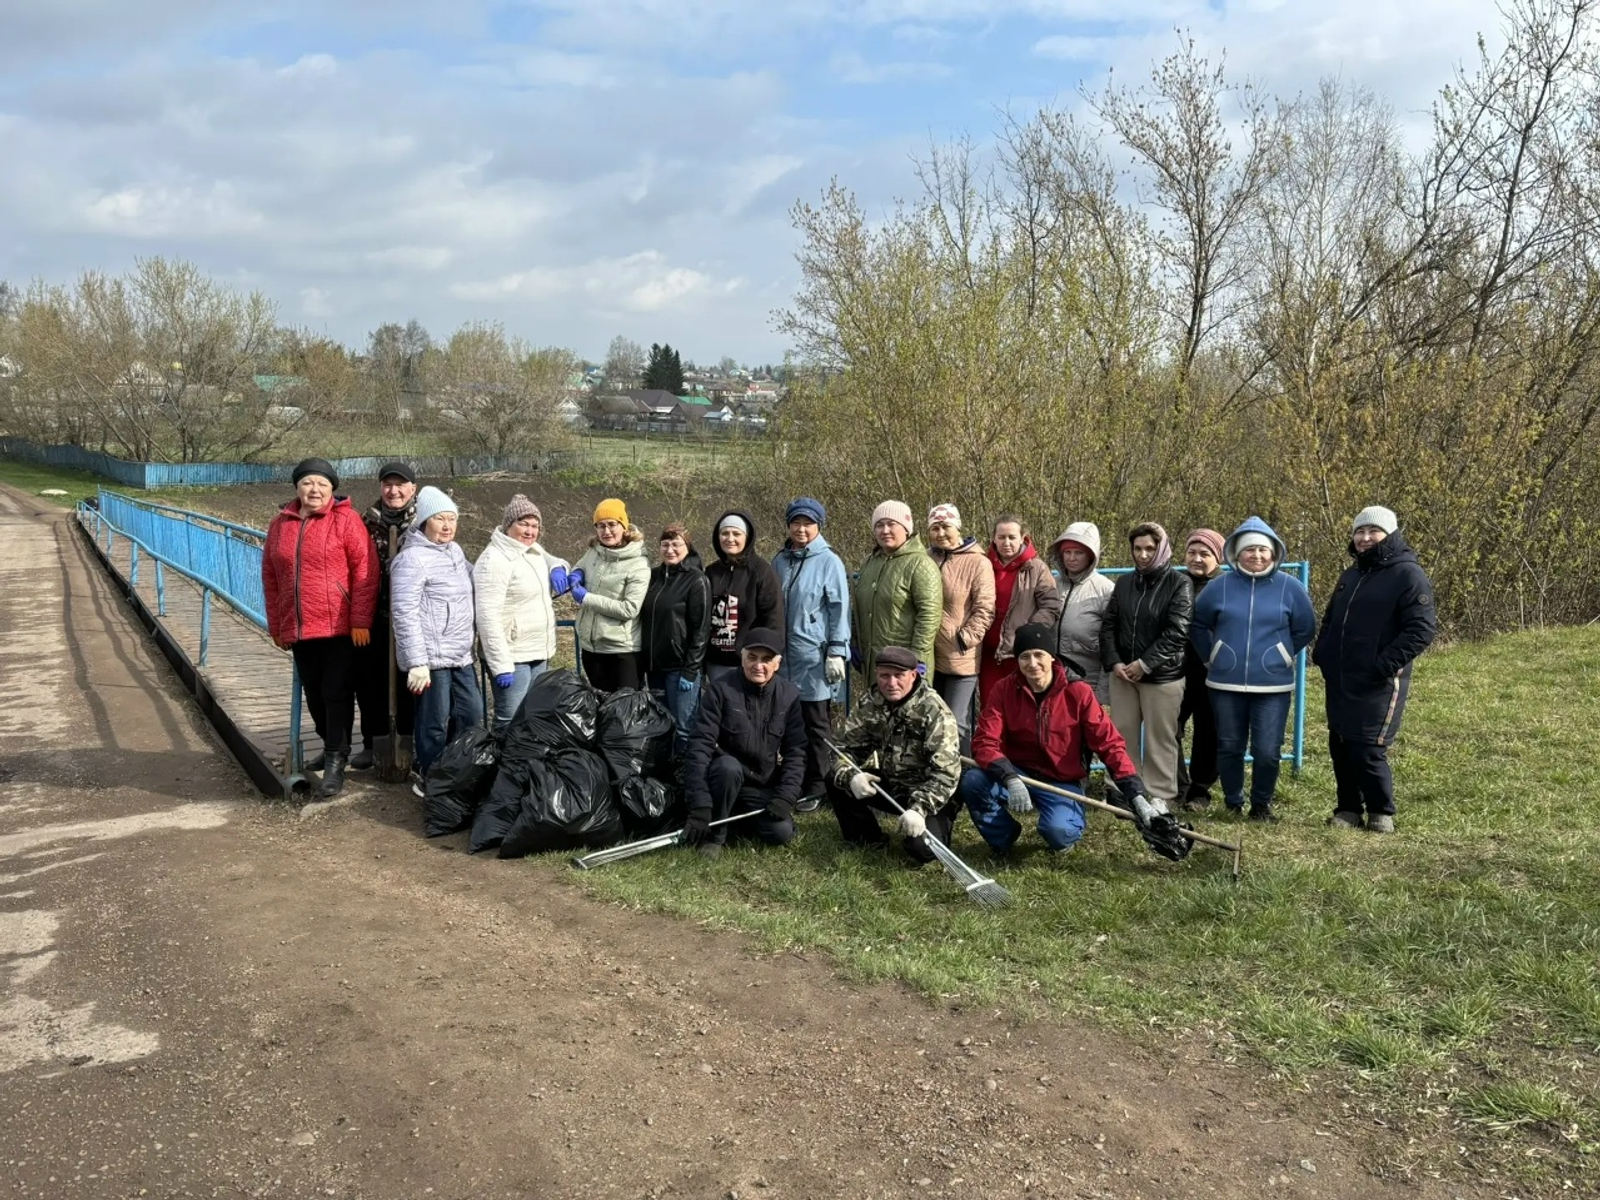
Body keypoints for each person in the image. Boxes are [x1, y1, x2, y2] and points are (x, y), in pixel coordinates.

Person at [961, 624, 1149, 856]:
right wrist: (1009, 776)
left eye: (1039, 655)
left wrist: (1135, 795)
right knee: (973, 781)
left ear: (1052, 657)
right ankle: (1003, 836)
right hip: (1018, 773)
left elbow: (1109, 743)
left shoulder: (1078, 692)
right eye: (1024, 656)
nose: (1032, 663)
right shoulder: (1004, 689)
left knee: (1059, 832)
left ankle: (1063, 827)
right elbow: (984, 741)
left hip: (1062, 781)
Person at [1312, 506, 1437, 834]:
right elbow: (1329, 620)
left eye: (1373, 532)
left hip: (1379, 681)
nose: (1365, 538)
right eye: (1359, 532)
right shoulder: (1351, 575)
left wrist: (1383, 665)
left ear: (1390, 534)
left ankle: (1381, 812)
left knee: (1367, 747)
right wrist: (1322, 654)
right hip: (1340, 677)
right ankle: (1348, 809)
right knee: (1340, 743)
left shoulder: (1408, 574)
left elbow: (1421, 630)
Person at [262, 458, 379, 797]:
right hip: (299, 627)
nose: (314, 490)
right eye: (308, 483)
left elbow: (366, 572)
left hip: (340, 627)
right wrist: (276, 624)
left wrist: (359, 620)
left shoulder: (346, 521)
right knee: (313, 693)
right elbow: (271, 577)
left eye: (322, 485)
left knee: (336, 692)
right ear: (297, 487)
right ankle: (330, 744)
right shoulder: (280, 525)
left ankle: (335, 761)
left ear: (332, 489)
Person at [1189, 518, 1317, 822]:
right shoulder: (1219, 587)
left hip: (1273, 686)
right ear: (1236, 553)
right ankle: (1233, 802)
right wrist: (1212, 657)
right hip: (1224, 684)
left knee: (1268, 750)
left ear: (1273, 553)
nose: (1256, 556)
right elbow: (1199, 625)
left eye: (1262, 550)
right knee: (1230, 746)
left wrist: (1282, 655)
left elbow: (1305, 628)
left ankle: (1261, 805)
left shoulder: (1291, 587)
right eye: (1249, 550)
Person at [827, 646, 962, 866]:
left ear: (913, 675)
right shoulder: (870, 701)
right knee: (835, 779)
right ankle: (867, 838)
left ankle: (939, 825)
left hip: (929, 789)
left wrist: (919, 809)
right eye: (884, 676)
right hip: (892, 782)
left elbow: (945, 773)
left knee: (921, 850)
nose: (891, 683)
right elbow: (842, 748)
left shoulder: (934, 710)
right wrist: (851, 775)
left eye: (899, 676)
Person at [390, 486, 484, 795]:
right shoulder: (412, 559)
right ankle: (431, 778)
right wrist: (417, 662)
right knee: (434, 723)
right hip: (431, 659)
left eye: (452, 520)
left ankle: (461, 774)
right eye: (440, 519)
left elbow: (479, 578)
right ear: (425, 522)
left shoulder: (455, 552)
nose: (447, 527)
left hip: (461, 654)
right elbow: (403, 612)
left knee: (471, 715)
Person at [680, 628, 804, 858]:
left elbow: (796, 752)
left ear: (777, 664)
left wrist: (786, 797)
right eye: (752, 658)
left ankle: (734, 819)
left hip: (759, 784)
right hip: (723, 778)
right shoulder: (720, 689)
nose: (759, 666)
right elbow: (699, 746)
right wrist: (699, 804)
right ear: (742, 658)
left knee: (781, 833)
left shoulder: (790, 696)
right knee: (728, 767)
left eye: (766, 660)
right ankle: (715, 835)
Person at [1099, 522, 1193, 804]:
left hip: (1162, 676)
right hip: (1123, 675)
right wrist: (1115, 662)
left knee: (1159, 738)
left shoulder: (1179, 583)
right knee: (1121, 735)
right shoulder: (1126, 582)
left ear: (1161, 549)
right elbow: (1109, 625)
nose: (1142, 555)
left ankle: (1160, 794)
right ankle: (1122, 789)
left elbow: (1177, 632)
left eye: (1149, 549)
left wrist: (1145, 664)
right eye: (1137, 549)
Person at [772, 498, 850, 812]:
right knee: (791, 723)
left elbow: (839, 609)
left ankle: (820, 783)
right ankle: (796, 778)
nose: (801, 529)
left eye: (808, 523)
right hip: (784, 658)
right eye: (796, 523)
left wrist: (836, 650)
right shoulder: (780, 559)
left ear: (818, 526)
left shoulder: (829, 561)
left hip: (814, 656)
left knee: (817, 723)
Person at [473, 494, 569, 733]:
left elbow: (555, 560)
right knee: (509, 718)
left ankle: (524, 766)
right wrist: (501, 664)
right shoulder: (495, 559)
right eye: (523, 524)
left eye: (534, 526)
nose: (530, 531)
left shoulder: (533, 550)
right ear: (508, 526)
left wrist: (559, 568)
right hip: (512, 655)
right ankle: (501, 767)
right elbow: (487, 616)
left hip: (538, 650)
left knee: (533, 715)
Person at [351, 461, 418, 770]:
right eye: (388, 485)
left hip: (412, 619)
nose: (394, 491)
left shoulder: (424, 523)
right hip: (374, 615)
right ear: (381, 488)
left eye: (400, 484)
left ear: (412, 489)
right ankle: (373, 740)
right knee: (370, 682)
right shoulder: (365, 522)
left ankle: (407, 738)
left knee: (410, 682)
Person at [926, 503, 995, 751]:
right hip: (929, 654)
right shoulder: (925, 558)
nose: (941, 533)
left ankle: (962, 778)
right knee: (931, 721)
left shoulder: (978, 562)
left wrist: (964, 639)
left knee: (956, 723)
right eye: (935, 528)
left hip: (960, 657)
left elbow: (985, 607)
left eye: (946, 526)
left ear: (957, 527)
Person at [641, 523, 711, 753]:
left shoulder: (696, 580)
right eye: (665, 544)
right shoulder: (652, 577)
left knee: (684, 728)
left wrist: (691, 669)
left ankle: (688, 778)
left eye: (676, 544)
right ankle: (665, 779)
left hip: (680, 669)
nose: (670, 549)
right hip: (655, 668)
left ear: (687, 547)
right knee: (662, 726)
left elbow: (701, 629)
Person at [852, 500, 942, 678]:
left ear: (906, 528)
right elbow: (857, 607)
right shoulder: (868, 563)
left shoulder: (920, 563)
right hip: (874, 664)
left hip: (905, 666)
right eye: (879, 525)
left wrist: (917, 658)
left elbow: (929, 615)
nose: (885, 530)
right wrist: (855, 643)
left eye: (891, 524)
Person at [979, 514, 1062, 704]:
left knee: (1020, 707)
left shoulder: (1037, 568)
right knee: (990, 706)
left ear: (1022, 538)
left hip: (1020, 654)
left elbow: (1051, 606)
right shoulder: (983, 565)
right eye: (1001, 537)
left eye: (1012, 537)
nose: (1006, 542)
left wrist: (1029, 633)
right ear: (993, 538)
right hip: (986, 654)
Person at [572, 498, 651, 692]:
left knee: (623, 713)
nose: (606, 531)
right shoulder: (594, 551)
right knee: (599, 707)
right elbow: (581, 565)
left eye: (612, 524)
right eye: (600, 526)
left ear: (624, 526)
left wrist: (586, 598)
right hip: (591, 648)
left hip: (621, 652)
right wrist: (576, 573)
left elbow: (629, 609)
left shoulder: (638, 563)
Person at [1174, 529, 1225, 811]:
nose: (1196, 558)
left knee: (1209, 731)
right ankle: (1177, 786)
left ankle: (1200, 791)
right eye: (1192, 552)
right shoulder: (1174, 581)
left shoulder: (1227, 585)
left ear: (1217, 558)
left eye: (1204, 554)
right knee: (1169, 729)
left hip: (1211, 672)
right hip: (1175, 670)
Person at [703, 509, 785, 684]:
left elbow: (773, 619)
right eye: (724, 533)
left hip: (750, 665)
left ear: (747, 537)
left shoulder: (762, 572)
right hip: (715, 664)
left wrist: (769, 657)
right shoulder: (711, 573)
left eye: (736, 533)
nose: (730, 538)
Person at [1050, 521, 1114, 705]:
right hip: (1051, 678)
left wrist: (1102, 694)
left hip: (1089, 680)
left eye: (1078, 553)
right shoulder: (1051, 585)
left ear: (1091, 556)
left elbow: (1110, 644)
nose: (1071, 558)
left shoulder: (1106, 590)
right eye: (1067, 552)